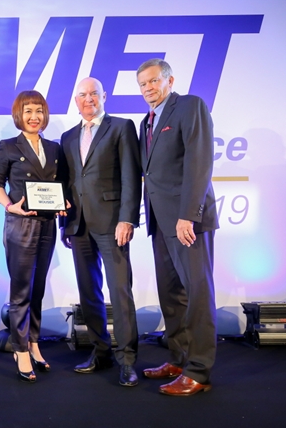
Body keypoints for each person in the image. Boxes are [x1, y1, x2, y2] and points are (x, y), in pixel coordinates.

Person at [136, 58, 218, 396]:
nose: (148, 88)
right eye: (143, 84)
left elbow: (200, 162)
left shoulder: (189, 106)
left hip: (188, 222)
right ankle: (179, 359)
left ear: (169, 81)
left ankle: (198, 371)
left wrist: (189, 215)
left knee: (197, 293)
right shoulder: (146, 122)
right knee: (171, 294)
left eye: (154, 81)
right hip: (160, 221)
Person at [60, 77, 142, 387]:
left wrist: (127, 219)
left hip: (112, 224)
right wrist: (65, 224)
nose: (88, 99)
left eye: (94, 93)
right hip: (78, 225)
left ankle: (127, 360)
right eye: (82, 94)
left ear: (104, 96)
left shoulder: (121, 127)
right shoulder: (68, 137)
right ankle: (101, 351)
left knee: (120, 292)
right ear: (75, 100)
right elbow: (67, 184)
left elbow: (131, 176)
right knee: (88, 292)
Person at [0, 90, 67, 383]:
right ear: (19, 115)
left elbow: (61, 184)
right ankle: (20, 349)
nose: (34, 117)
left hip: (48, 224)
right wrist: (9, 205)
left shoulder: (55, 148)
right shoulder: (9, 146)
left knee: (37, 289)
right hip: (20, 224)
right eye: (28, 111)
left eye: (38, 111)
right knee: (21, 290)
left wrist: (64, 201)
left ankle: (34, 342)